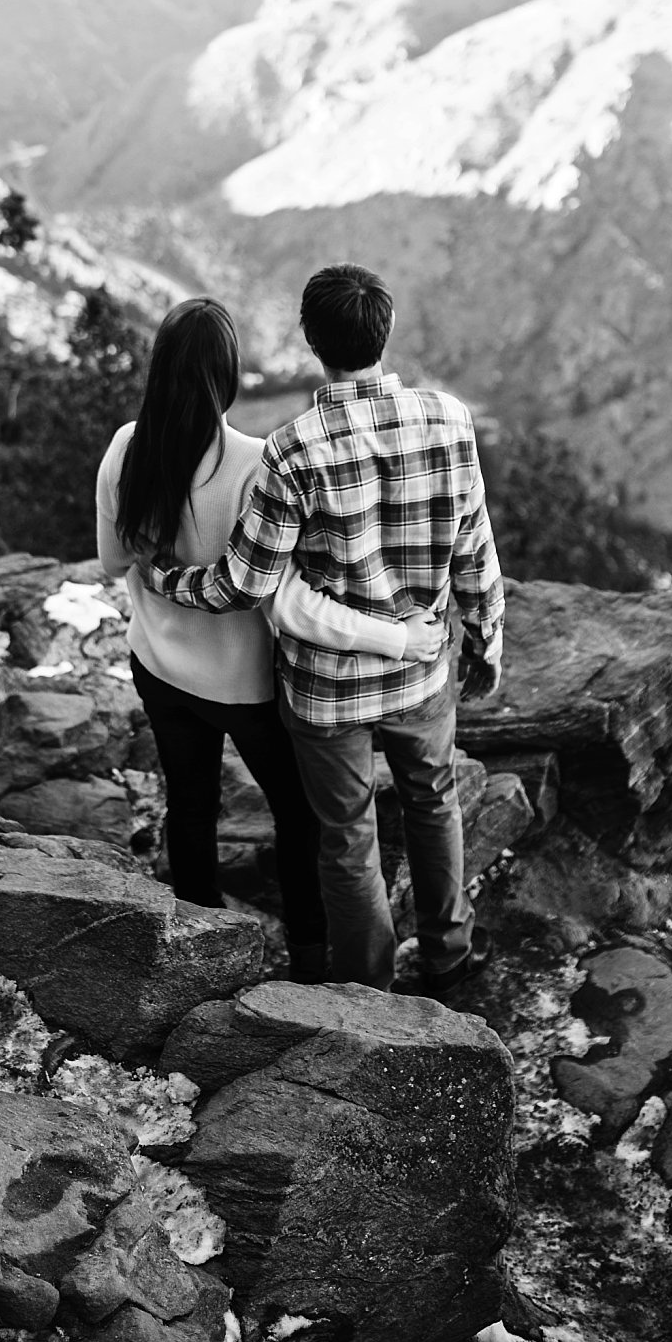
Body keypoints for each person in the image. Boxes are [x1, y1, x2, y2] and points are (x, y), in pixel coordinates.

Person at [139, 263, 504, 997]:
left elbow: (245, 584)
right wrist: (487, 638)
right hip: (421, 668)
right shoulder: (449, 419)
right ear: (385, 331)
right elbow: (475, 546)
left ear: (309, 340)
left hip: (326, 690)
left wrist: (161, 579)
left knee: (346, 837)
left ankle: (364, 989)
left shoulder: (291, 449)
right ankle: (448, 956)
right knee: (434, 803)